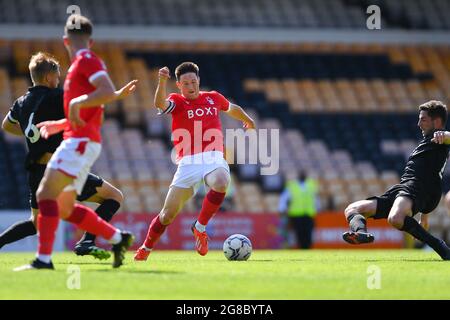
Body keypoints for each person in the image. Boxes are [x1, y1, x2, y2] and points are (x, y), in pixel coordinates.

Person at [14, 14, 138, 271]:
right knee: (65, 208)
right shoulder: (79, 67)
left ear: (65, 41)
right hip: (79, 139)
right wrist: (59, 124)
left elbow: (100, 93)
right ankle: (119, 238)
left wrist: (76, 103)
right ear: (90, 41)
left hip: (79, 142)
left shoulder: (86, 60)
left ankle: (43, 260)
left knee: (45, 194)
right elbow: (97, 103)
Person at [0, 52, 123, 260]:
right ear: (49, 77)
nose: (58, 81)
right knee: (114, 197)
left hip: (36, 171)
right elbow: (86, 109)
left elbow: (6, 126)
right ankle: (87, 241)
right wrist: (116, 94)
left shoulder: (21, 102)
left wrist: (32, 134)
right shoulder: (58, 97)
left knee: (36, 223)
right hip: (60, 169)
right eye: (57, 77)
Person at [134, 62, 255, 261]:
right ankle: (146, 248)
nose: (191, 86)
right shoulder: (177, 101)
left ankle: (199, 227)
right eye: (186, 83)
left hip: (213, 155)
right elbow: (159, 104)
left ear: (199, 80)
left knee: (222, 181)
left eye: (193, 81)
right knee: (166, 215)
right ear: (179, 86)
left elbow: (233, 108)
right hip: (188, 162)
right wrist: (162, 81)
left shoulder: (213, 98)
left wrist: (248, 119)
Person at [342, 100, 450, 260]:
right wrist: (424, 216)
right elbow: (430, 173)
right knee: (353, 209)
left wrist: (446, 134)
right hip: (406, 188)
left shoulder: (439, 139)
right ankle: (361, 234)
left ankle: (440, 247)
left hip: (416, 188)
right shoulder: (427, 143)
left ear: (437, 122)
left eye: (423, 119)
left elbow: (445, 141)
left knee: (395, 218)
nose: (418, 124)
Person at [278, 171, 319, 249]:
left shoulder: (311, 185)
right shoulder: (292, 186)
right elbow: (284, 198)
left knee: (308, 232)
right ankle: (301, 247)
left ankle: (308, 247)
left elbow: (315, 198)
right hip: (296, 214)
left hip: (308, 213)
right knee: (299, 232)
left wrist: (317, 208)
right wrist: (282, 208)